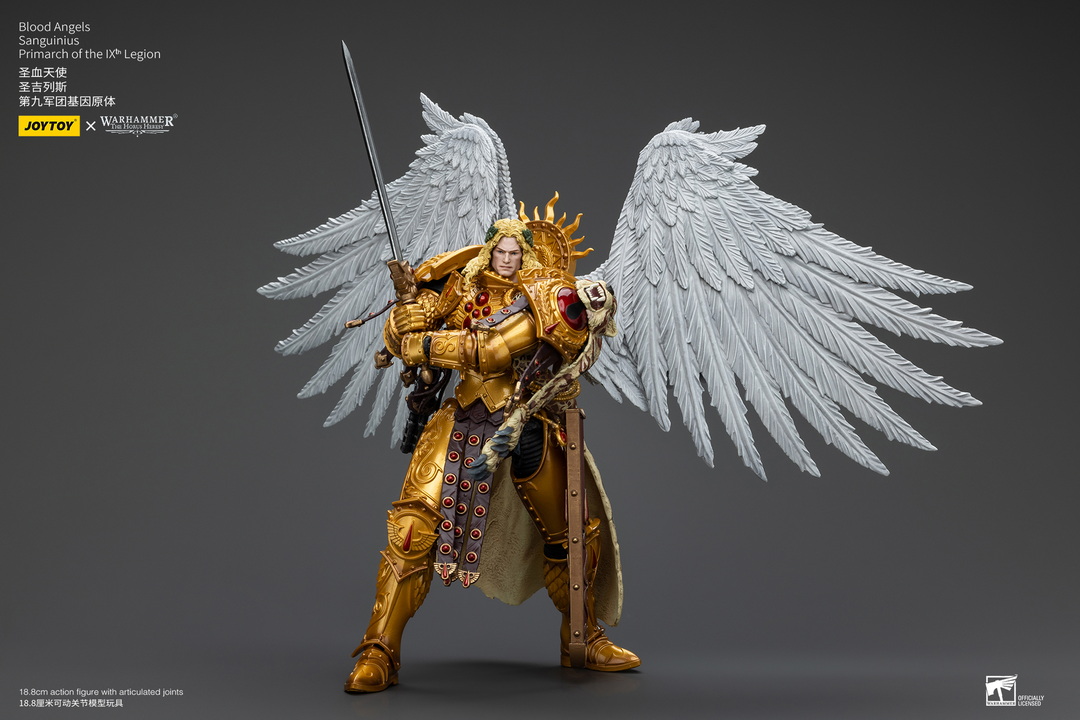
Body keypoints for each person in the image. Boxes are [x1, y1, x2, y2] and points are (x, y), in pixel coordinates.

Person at [345, 215, 639, 693]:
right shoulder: (460, 286)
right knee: (412, 527)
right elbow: (402, 338)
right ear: (489, 251)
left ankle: (582, 637)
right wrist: (403, 322)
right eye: (501, 251)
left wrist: (422, 343)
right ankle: (380, 648)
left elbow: (494, 351)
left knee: (571, 531)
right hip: (462, 414)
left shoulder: (545, 294)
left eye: (515, 252)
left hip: (524, 420)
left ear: (527, 255)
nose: (507, 259)